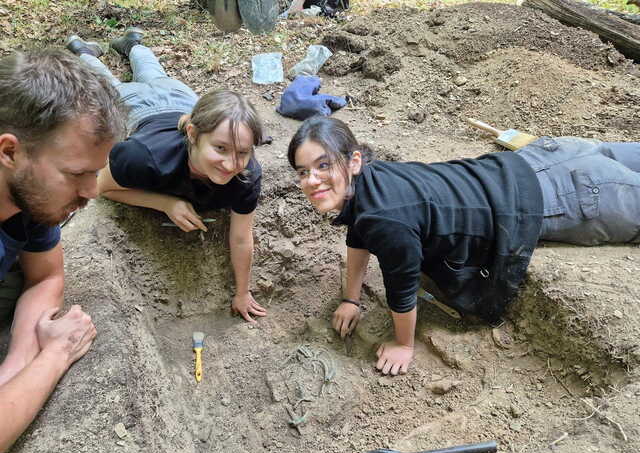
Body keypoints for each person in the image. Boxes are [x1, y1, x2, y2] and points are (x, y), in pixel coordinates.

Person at [287, 116, 640, 376]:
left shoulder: (384, 219)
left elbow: (402, 289)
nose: (312, 180)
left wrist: (403, 345)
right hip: (545, 156)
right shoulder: (373, 182)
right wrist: (351, 298)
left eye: (323, 165)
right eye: (303, 172)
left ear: (354, 162)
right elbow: (358, 235)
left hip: (575, 195)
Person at [64, 28, 267, 323]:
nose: (230, 163)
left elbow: (241, 236)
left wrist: (242, 292)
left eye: (242, 152)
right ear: (194, 135)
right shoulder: (144, 158)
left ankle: (133, 44)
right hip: (139, 109)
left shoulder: (247, 174)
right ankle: (83, 51)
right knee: (108, 84)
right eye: (220, 149)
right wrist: (165, 203)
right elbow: (103, 187)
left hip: (183, 99)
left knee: (156, 75)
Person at [0, 50, 126, 453]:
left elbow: (46, 275)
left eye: (95, 172)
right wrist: (55, 353)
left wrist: (15, 366)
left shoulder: (29, 195)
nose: (92, 191)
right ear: (9, 151)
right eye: (76, 174)